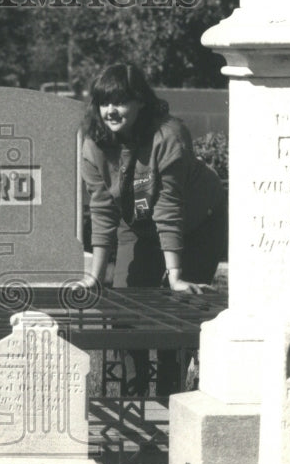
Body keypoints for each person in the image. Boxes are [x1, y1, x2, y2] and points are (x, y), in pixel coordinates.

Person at [80, 64, 227, 397]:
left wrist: (174, 275)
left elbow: (169, 206)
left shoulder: (168, 135)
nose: (110, 111)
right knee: (124, 309)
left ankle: (170, 397)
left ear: (141, 102)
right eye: (104, 102)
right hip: (138, 222)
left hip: (198, 222)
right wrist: (94, 276)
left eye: (120, 101)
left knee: (177, 310)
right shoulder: (95, 145)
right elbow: (103, 210)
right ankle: (135, 395)